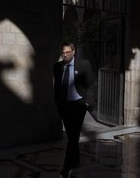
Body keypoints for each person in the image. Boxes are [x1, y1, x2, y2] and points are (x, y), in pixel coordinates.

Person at [53, 41, 95, 178]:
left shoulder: (84, 64)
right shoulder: (57, 67)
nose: (64, 55)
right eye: (63, 53)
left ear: (73, 51)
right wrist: (57, 102)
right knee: (72, 136)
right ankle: (76, 159)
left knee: (73, 137)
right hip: (64, 105)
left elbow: (90, 85)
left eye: (67, 52)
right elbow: (57, 86)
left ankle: (66, 166)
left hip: (78, 105)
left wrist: (87, 103)